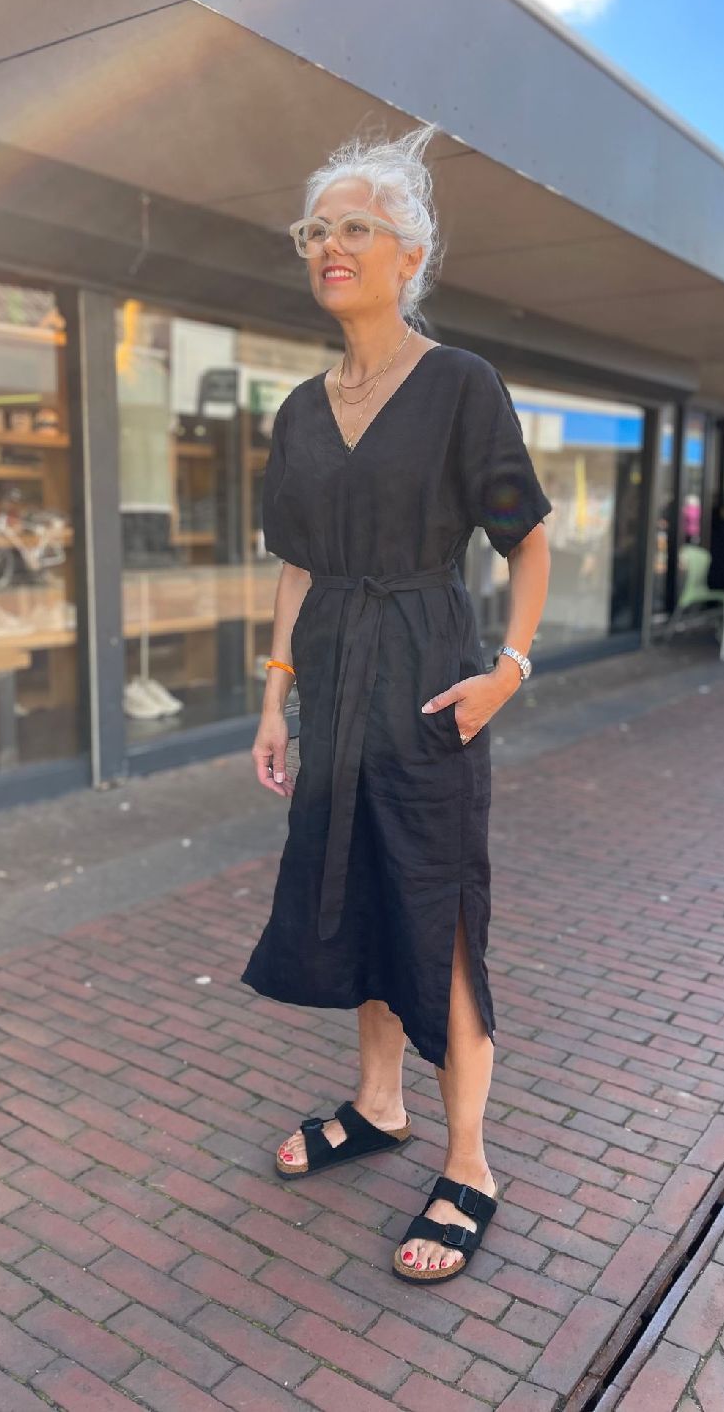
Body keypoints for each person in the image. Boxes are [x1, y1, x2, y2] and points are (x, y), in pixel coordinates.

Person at [243, 125, 552, 1284]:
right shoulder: (300, 408)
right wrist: (275, 696)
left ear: (409, 254)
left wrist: (508, 671)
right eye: (315, 230)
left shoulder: (461, 386)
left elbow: (526, 541)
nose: (331, 245)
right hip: (332, 684)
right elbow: (300, 564)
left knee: (437, 904)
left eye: (356, 227)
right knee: (358, 890)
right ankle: (379, 1106)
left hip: (428, 677)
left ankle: (470, 1162)